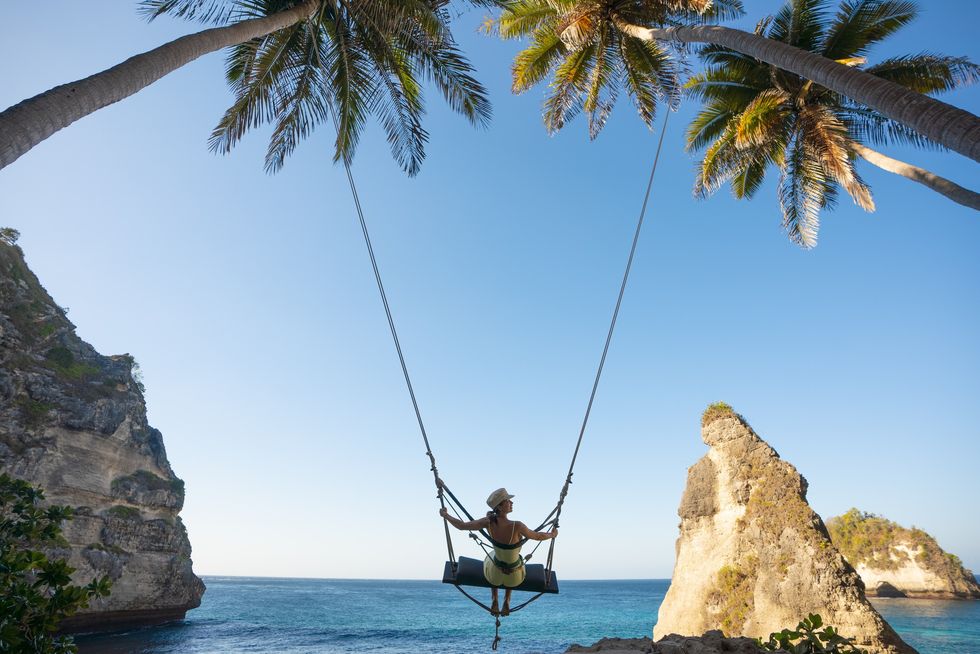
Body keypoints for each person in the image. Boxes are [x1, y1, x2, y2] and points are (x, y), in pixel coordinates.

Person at [440, 487, 557, 616]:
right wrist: (552, 534)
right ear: (500, 507)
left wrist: (446, 515)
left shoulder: (488, 522)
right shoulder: (517, 526)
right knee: (515, 562)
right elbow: (538, 536)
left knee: (493, 558)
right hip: (515, 577)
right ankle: (507, 600)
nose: (511, 503)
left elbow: (461, 526)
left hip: (493, 576)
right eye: (508, 501)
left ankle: (494, 598)